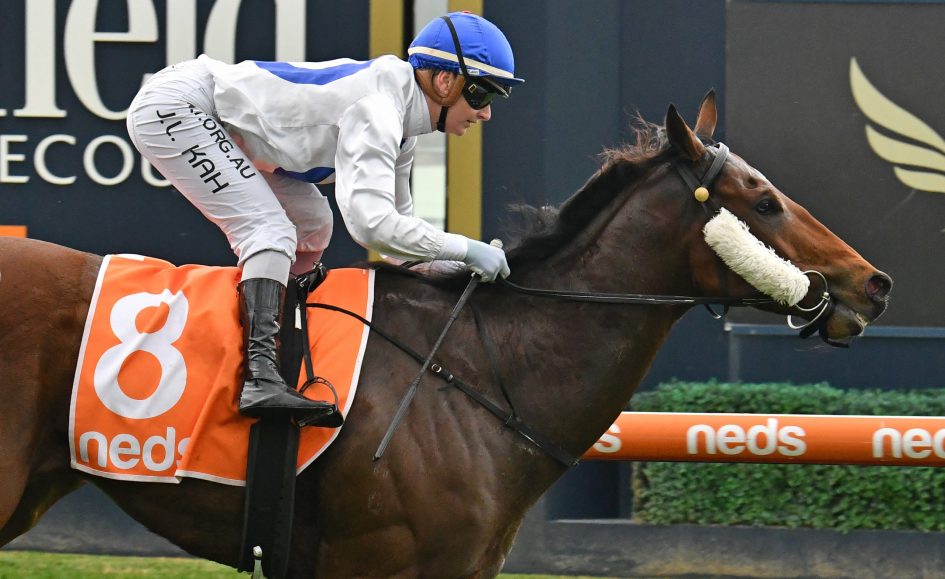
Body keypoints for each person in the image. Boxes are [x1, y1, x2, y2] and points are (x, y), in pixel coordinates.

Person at [126, 12, 523, 423]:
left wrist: (461, 266)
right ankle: (260, 377)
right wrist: (467, 249)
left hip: (208, 112)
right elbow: (372, 226)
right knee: (270, 230)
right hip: (179, 106)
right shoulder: (379, 110)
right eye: (483, 96)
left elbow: (401, 248)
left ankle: (280, 351)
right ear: (445, 82)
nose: (486, 114)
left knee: (314, 224)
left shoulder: (402, 121)